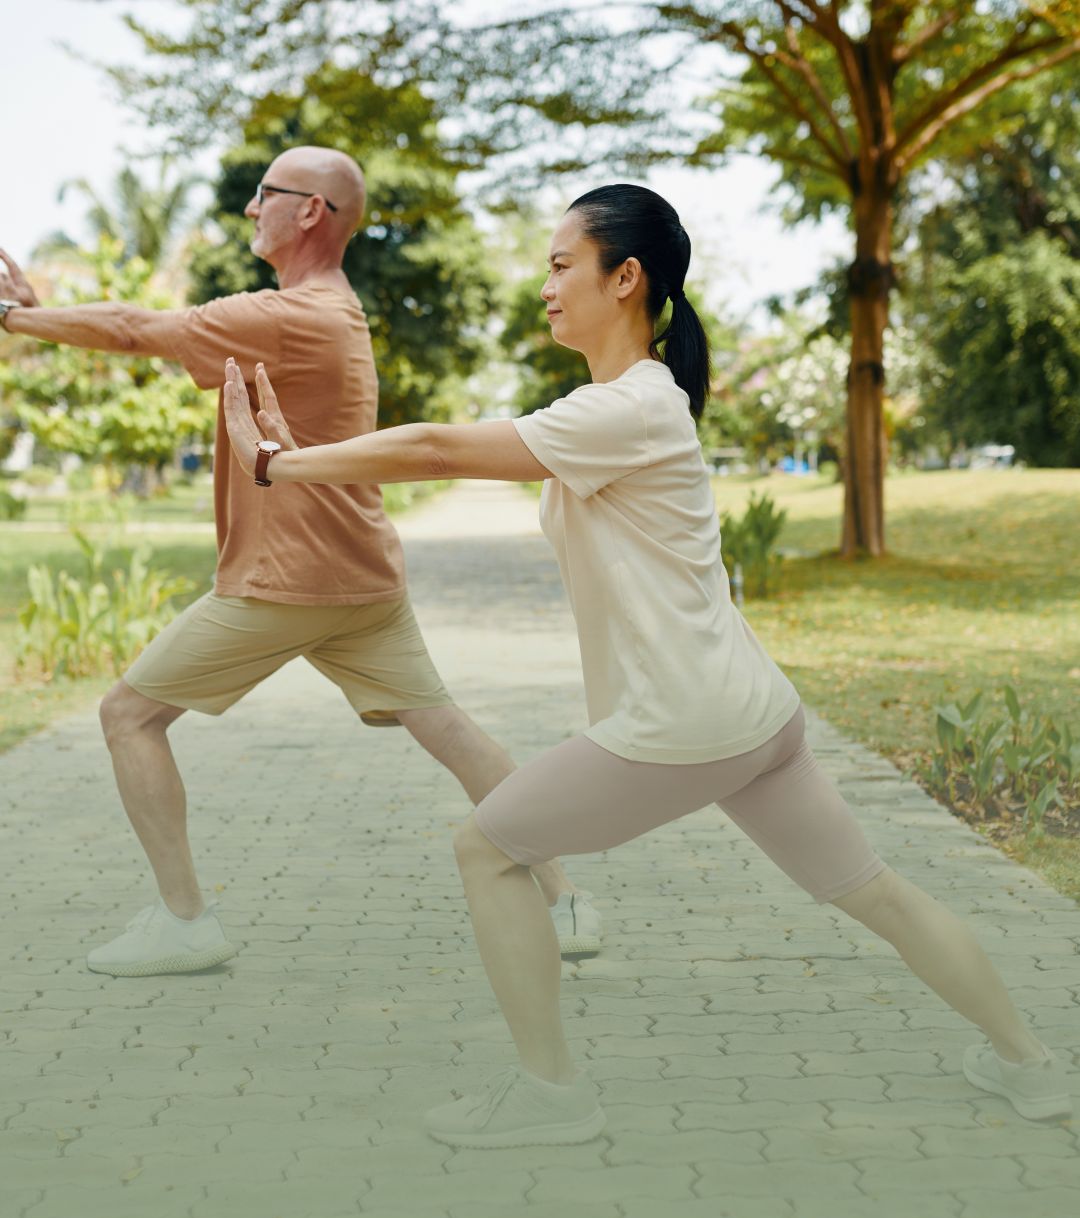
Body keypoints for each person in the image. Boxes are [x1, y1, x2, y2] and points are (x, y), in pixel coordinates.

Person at [223, 181, 1072, 1148]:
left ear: (625, 278)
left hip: (689, 723)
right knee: (872, 888)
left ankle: (552, 1097)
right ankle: (1032, 1070)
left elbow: (431, 447)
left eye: (559, 265)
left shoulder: (627, 408)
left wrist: (274, 465)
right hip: (754, 712)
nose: (544, 287)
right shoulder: (629, 403)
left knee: (488, 849)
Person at [0, 145, 601, 975]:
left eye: (264, 194)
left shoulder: (289, 316)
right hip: (361, 578)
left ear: (311, 211)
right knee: (451, 731)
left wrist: (14, 318)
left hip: (288, 580)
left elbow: (139, 330)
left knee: (127, 716)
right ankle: (568, 903)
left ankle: (185, 923)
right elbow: (146, 329)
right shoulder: (330, 311)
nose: (250, 209)